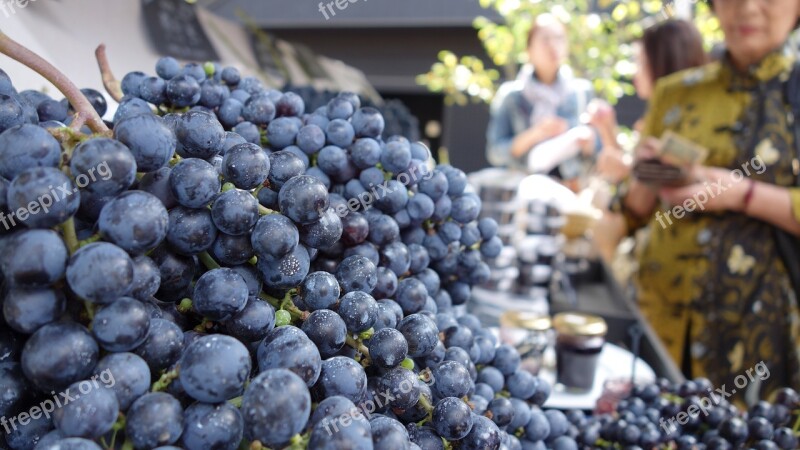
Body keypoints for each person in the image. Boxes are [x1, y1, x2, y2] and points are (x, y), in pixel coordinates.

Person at [614, 0, 800, 401]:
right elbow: (636, 210)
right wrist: (647, 172)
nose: (747, 8)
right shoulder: (676, 92)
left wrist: (740, 193)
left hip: (761, 343)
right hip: (658, 321)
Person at [589, 20, 707, 264]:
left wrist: (626, 169)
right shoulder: (666, 117)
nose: (634, 73)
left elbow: (637, 202)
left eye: (639, 62)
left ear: (662, 62)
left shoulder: (678, 124)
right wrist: (607, 131)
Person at [485, 14, 597, 186]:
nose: (553, 45)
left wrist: (586, 140)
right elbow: (495, 152)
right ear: (529, 50)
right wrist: (536, 134)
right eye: (545, 40)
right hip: (526, 193)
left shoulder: (582, 92)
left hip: (573, 191)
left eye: (559, 38)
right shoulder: (511, 96)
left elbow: (599, 150)